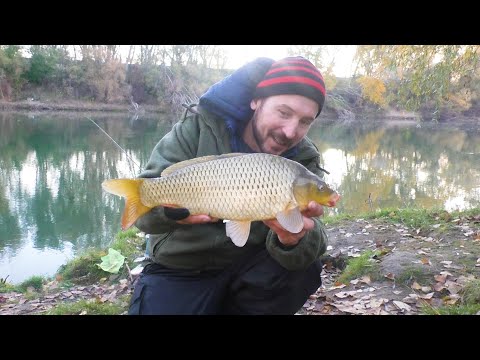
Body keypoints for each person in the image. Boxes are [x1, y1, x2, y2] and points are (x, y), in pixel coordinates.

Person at [129, 56, 330, 315]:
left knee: (305, 268)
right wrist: (167, 212)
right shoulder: (197, 129)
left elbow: (317, 239)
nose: (291, 132)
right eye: (284, 112)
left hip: (250, 266)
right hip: (181, 266)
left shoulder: (302, 160)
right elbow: (144, 220)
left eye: (305, 121)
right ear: (256, 101)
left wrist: (293, 239)